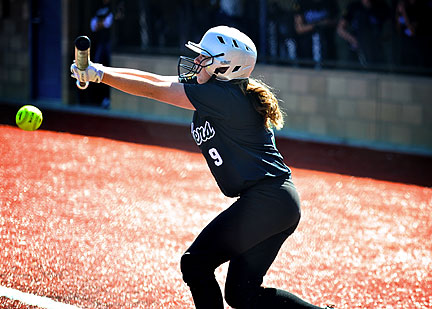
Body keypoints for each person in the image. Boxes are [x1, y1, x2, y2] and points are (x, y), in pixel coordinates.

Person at [71, 25, 335, 309]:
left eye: (204, 58)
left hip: (268, 201)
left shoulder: (221, 96)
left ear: (225, 68)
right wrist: (98, 69)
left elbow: (154, 89)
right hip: (278, 202)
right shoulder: (224, 92)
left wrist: (100, 75)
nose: (196, 61)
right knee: (241, 294)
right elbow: (154, 78)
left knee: (195, 263)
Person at [337, 0, 390, 68]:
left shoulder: (382, 6)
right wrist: (354, 40)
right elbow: (340, 29)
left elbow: (389, 29)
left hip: (376, 51)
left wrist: (377, 40)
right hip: (356, 51)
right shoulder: (353, 6)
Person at [294, 0, 339, 68]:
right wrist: (318, 24)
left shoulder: (331, 2)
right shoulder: (301, 3)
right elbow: (299, 29)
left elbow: (338, 22)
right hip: (307, 49)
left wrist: (325, 23)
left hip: (327, 47)